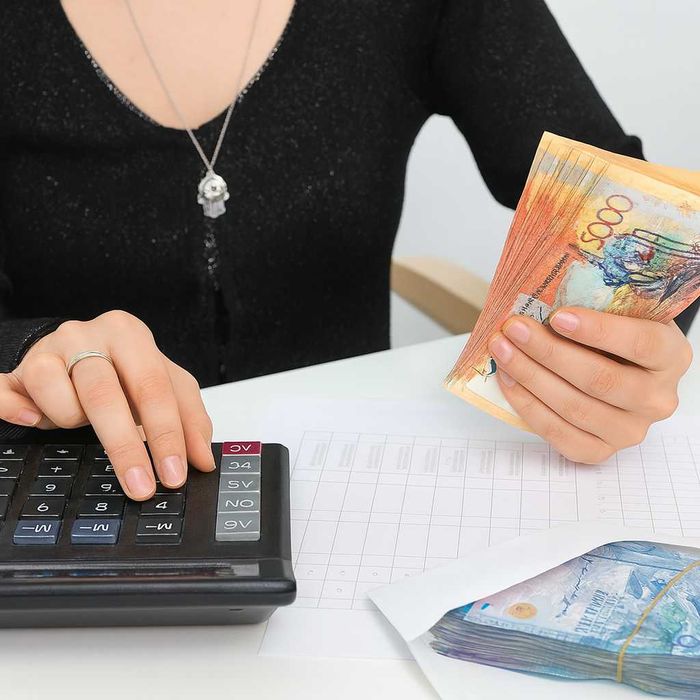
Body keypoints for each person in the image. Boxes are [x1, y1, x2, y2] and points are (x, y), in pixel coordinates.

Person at [0, 0, 695, 500]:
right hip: (68, 482)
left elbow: (638, 207)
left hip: (354, 490)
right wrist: (30, 349)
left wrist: (622, 359)